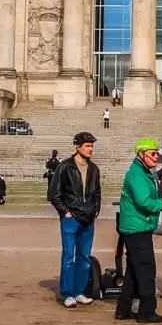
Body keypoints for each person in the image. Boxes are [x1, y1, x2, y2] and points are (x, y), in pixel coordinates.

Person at [116, 138, 162, 324]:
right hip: (137, 227)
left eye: (156, 153)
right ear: (141, 154)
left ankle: (123, 309)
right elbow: (144, 202)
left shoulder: (141, 172)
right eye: (153, 154)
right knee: (147, 268)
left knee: (133, 269)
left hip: (136, 226)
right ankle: (147, 311)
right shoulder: (138, 175)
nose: (156, 157)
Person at [49, 131, 102, 308]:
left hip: (88, 218)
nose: (90, 149)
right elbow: (54, 194)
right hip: (71, 218)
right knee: (68, 257)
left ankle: (79, 291)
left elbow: (97, 193)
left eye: (92, 146)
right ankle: (67, 294)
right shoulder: (64, 167)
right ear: (77, 147)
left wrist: (96, 210)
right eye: (87, 146)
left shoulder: (94, 169)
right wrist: (65, 212)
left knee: (84, 257)